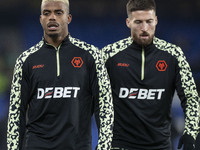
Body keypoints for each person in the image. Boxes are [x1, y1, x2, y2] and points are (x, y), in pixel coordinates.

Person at [7, 0, 114, 149]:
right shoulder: (25, 60)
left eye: (58, 13)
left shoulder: (91, 55)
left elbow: (105, 105)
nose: (52, 17)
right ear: (41, 19)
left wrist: (104, 147)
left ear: (68, 18)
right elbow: (15, 113)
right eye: (46, 13)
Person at [101, 0, 199, 149]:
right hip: (120, 145)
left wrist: (191, 132)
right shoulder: (109, 54)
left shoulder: (174, 55)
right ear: (128, 22)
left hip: (160, 145)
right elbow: (90, 98)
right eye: (138, 22)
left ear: (156, 20)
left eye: (149, 21)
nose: (144, 28)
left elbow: (191, 97)